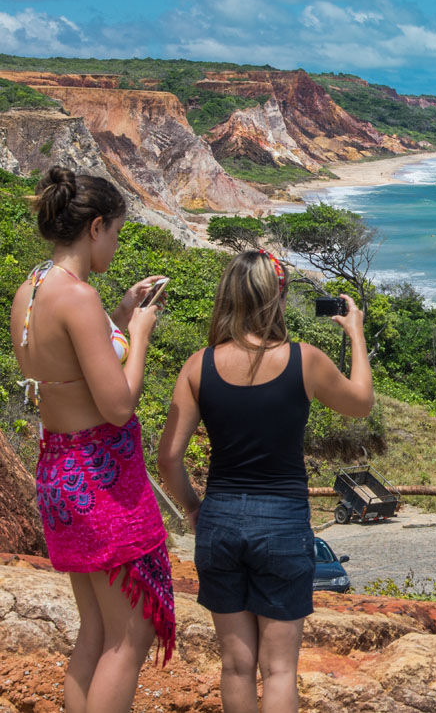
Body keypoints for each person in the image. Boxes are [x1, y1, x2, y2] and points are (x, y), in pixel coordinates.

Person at [159, 250, 374, 713]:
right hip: (282, 522)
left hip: (219, 520)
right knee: (278, 669)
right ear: (278, 298)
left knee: (236, 665)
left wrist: (194, 508)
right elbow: (361, 403)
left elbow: (168, 457)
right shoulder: (305, 360)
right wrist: (355, 333)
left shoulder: (199, 366)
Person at [11, 167, 171, 713]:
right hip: (100, 477)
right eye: (117, 232)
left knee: (96, 632)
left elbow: (72, 371)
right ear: (96, 226)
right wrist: (142, 336)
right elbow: (117, 404)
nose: (117, 243)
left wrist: (122, 315)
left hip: (61, 473)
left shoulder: (32, 288)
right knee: (130, 636)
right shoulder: (78, 298)